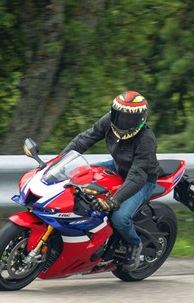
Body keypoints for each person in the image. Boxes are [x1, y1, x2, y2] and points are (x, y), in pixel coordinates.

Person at [63, 91, 161, 270]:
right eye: (119, 115)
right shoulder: (108, 120)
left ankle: (134, 244)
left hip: (143, 179)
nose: (123, 122)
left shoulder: (146, 139)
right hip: (117, 165)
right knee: (77, 175)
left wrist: (114, 201)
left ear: (141, 118)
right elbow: (85, 139)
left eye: (129, 119)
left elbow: (137, 176)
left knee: (120, 217)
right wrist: (60, 161)